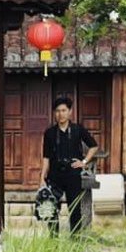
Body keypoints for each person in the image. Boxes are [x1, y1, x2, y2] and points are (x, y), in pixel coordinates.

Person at [41, 98, 99, 234]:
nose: (60, 114)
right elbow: (46, 157)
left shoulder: (78, 130)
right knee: (53, 208)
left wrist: (84, 162)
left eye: (63, 110)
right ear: (54, 113)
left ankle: (76, 241)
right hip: (54, 175)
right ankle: (53, 241)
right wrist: (42, 177)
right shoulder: (49, 133)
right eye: (57, 111)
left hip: (73, 174)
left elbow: (94, 146)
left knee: (75, 208)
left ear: (70, 112)